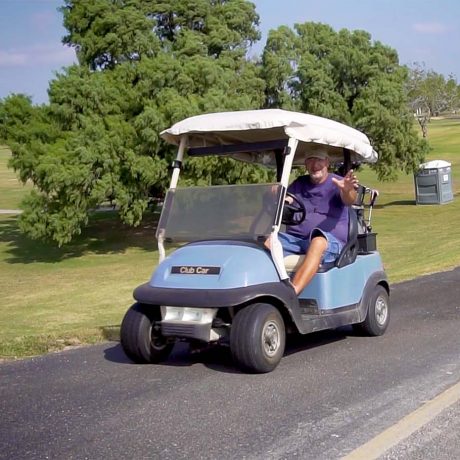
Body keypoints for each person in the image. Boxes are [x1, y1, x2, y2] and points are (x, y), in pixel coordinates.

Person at [277, 149, 359, 295]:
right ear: (306, 164)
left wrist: (347, 190)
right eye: (310, 160)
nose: (315, 165)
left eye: (319, 160)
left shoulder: (337, 183)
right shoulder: (299, 183)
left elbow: (349, 199)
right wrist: (277, 197)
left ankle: (291, 293)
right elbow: (287, 199)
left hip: (330, 242)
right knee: (266, 241)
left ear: (327, 162)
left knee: (318, 241)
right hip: (296, 240)